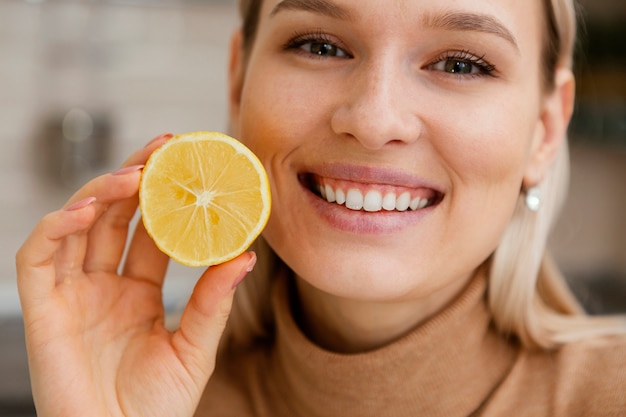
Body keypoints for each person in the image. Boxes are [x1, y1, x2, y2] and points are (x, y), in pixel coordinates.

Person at [15, 0, 626, 416]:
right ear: (237, 81)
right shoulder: (152, 397)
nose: (373, 118)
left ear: (545, 130)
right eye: (319, 45)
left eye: (461, 63)